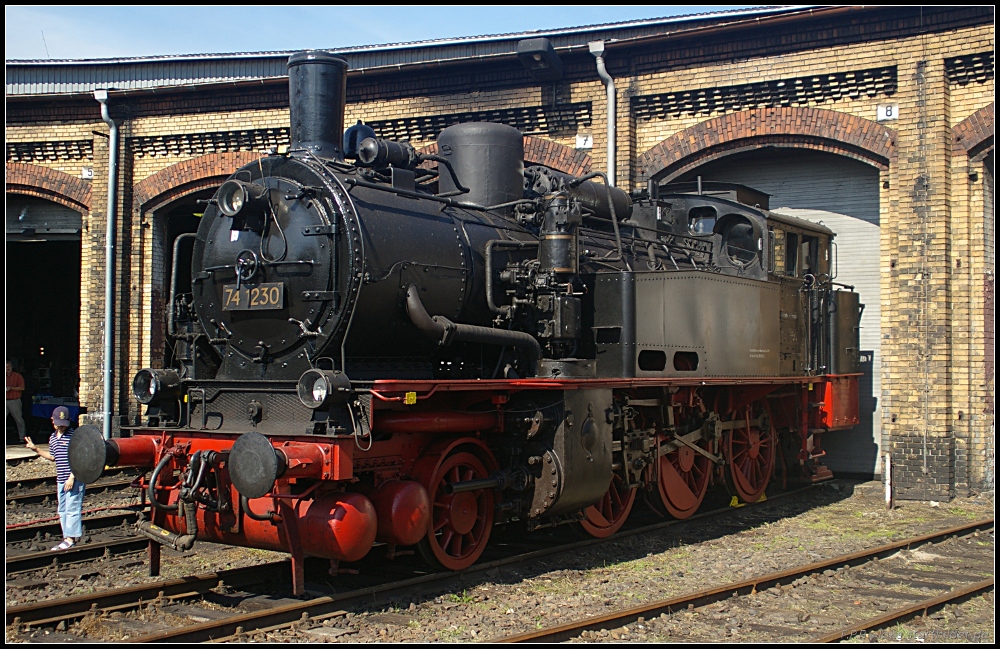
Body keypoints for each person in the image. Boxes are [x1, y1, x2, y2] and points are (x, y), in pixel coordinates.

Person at [25, 406, 85, 551]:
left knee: (72, 508)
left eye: (63, 423)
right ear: (52, 420)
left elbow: (79, 458)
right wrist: (36, 449)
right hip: (61, 479)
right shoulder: (53, 438)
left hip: (73, 479)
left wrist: (72, 477)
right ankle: (66, 537)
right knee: (63, 509)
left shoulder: (74, 436)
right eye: (58, 423)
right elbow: (53, 457)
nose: (61, 426)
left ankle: (71, 539)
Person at [6, 360, 27, 442]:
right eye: (5, 367)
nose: (7, 368)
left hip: (14, 401)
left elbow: (22, 388)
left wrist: (11, 388)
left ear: (12, 367)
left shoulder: (17, 376)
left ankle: (22, 438)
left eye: (8, 367)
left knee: (19, 420)